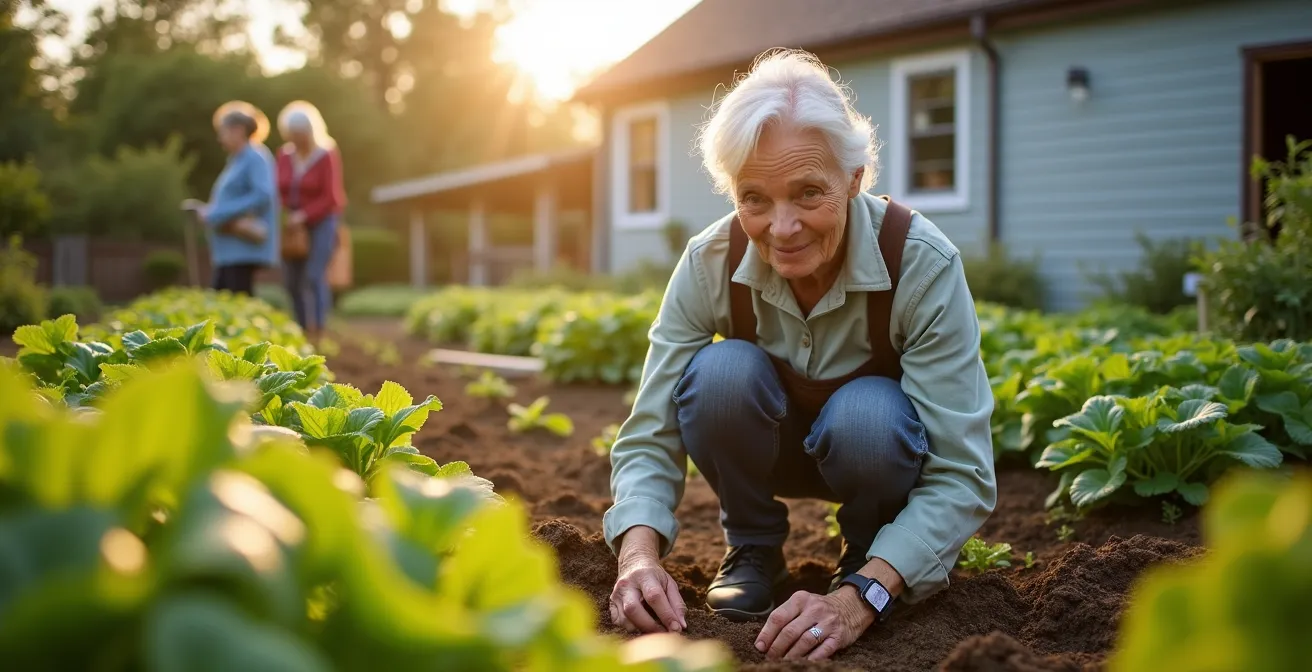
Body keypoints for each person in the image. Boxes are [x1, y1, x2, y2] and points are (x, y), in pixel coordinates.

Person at [603, 50, 996, 662]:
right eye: (754, 197)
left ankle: (868, 555)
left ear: (855, 180)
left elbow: (963, 473)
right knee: (719, 375)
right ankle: (754, 546)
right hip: (762, 449)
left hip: (877, 455)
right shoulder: (710, 261)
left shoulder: (919, 262)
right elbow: (650, 431)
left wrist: (863, 598)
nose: (781, 228)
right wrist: (637, 556)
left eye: (809, 193)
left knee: (870, 414)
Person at [275, 101, 347, 338]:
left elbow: (332, 196)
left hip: (321, 221)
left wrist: (304, 215)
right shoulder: (284, 155)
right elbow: (279, 189)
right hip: (292, 226)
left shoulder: (326, 154)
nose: (296, 139)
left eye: (300, 134)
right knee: (292, 279)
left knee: (314, 275)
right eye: (292, 134)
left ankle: (319, 328)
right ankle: (301, 328)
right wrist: (287, 214)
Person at [194, 101, 280, 296]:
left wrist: (215, 213)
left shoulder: (254, 157)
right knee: (224, 300)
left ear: (238, 130)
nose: (219, 138)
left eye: (222, 131)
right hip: (231, 250)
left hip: (242, 248)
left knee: (235, 300)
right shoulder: (237, 159)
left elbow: (263, 195)